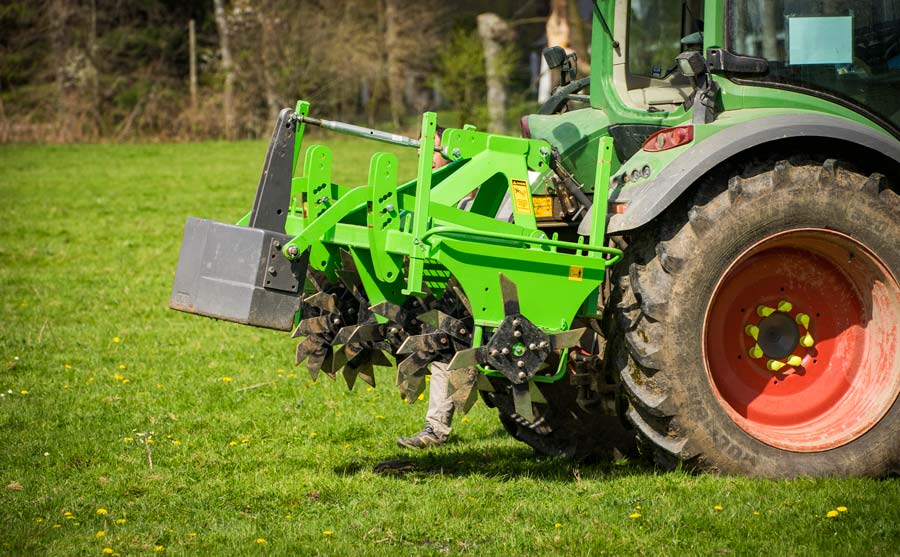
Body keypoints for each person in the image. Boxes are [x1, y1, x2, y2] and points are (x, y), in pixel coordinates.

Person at [396, 127, 458, 449]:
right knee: (443, 340)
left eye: (430, 152)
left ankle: (436, 429)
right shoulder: (427, 195)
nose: (425, 161)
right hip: (446, 289)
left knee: (449, 341)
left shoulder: (487, 191)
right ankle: (435, 429)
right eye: (420, 155)